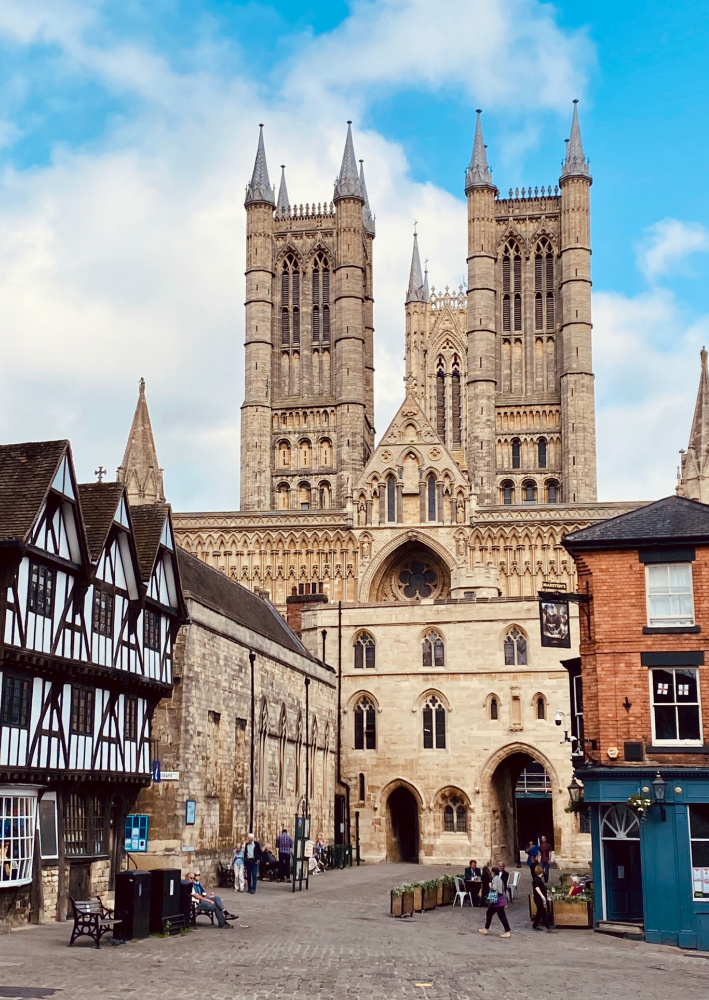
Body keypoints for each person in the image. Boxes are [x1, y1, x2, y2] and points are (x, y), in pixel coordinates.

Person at [478, 866, 511, 938]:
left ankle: (507, 931)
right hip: (500, 898)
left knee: (493, 914)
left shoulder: (495, 879)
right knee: (495, 914)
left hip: (496, 899)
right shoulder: (499, 879)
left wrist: (490, 886)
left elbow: (494, 888)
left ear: (493, 872)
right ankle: (486, 928)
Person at [531, 864, 553, 931]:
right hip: (539, 899)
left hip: (540, 898)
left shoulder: (538, 879)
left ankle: (536, 925)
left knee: (540, 912)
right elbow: (537, 888)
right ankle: (547, 925)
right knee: (542, 911)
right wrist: (542, 896)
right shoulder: (536, 880)